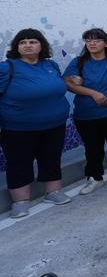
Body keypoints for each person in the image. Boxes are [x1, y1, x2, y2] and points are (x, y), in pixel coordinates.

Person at [0, 29, 72, 218]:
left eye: (33, 41)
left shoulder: (51, 65)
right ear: (17, 47)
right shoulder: (8, 68)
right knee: (19, 162)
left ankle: (53, 192)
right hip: (18, 128)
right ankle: (21, 202)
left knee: (51, 157)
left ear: (41, 46)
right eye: (23, 42)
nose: (28, 45)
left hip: (54, 124)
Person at [63, 28, 107, 195]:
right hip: (86, 114)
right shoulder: (78, 62)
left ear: (106, 43)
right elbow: (67, 82)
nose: (92, 43)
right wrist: (92, 93)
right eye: (88, 40)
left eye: (96, 40)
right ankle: (95, 177)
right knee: (92, 148)